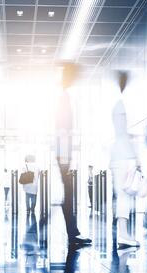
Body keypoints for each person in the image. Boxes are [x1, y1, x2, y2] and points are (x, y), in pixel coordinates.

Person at [55, 63, 92, 247]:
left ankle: (73, 232)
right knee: (68, 194)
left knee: (68, 194)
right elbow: (62, 129)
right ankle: (72, 233)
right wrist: (64, 157)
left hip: (63, 152)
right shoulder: (63, 97)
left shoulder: (64, 95)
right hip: (63, 152)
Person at [110, 71, 140, 248]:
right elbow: (122, 131)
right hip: (124, 156)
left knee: (122, 196)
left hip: (118, 156)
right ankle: (123, 234)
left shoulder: (117, 105)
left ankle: (123, 233)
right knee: (124, 196)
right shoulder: (121, 105)